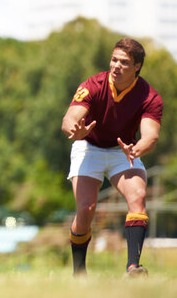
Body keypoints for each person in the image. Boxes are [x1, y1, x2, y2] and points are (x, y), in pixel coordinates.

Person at [61, 38, 163, 277]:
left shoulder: (150, 96)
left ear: (137, 66)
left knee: (138, 196)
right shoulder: (94, 85)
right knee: (86, 209)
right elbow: (69, 119)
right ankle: (79, 273)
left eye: (124, 62)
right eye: (114, 60)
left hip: (123, 151)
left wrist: (137, 149)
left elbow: (151, 136)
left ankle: (133, 268)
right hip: (89, 146)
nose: (116, 66)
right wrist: (75, 131)